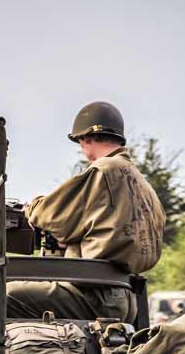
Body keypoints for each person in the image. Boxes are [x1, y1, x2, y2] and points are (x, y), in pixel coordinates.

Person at [18, 101, 165, 322]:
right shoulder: (139, 181)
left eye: (81, 143)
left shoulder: (104, 170)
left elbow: (49, 215)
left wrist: (31, 208)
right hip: (124, 294)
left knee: (2, 295)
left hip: (94, 294)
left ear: (87, 139)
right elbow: (104, 230)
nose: (82, 150)